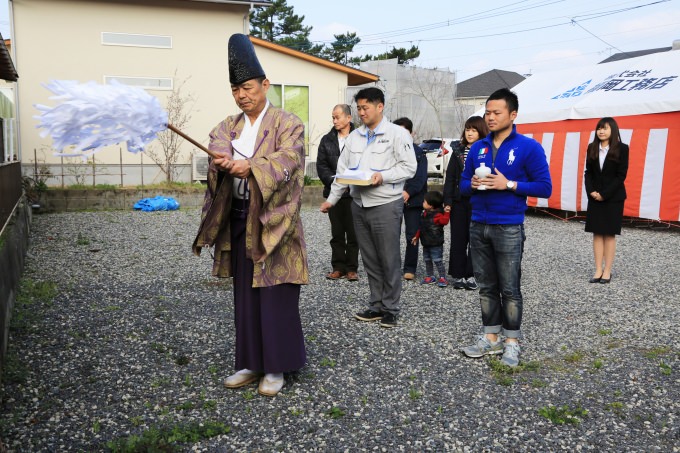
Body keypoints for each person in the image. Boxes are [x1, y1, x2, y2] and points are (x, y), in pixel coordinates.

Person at [192, 34, 308, 397]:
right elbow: (216, 150)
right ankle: (250, 361)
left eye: (247, 87)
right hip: (240, 219)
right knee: (245, 294)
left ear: (265, 85)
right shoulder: (228, 125)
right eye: (235, 89)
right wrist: (222, 164)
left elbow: (290, 160)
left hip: (276, 223)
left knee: (274, 292)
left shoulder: (288, 123)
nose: (242, 95)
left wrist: (251, 167)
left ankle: (276, 366)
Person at [459, 88, 552, 367]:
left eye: (496, 112)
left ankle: (511, 342)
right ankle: (491, 338)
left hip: (509, 226)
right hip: (479, 223)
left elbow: (545, 187)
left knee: (510, 288)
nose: (490, 117)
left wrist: (509, 184)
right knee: (486, 286)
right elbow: (462, 184)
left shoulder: (528, 147)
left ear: (513, 114)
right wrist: (472, 185)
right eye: (487, 112)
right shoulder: (478, 147)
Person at [320, 87, 417, 328]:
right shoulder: (355, 137)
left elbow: (409, 167)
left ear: (379, 106)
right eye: (359, 108)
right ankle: (376, 305)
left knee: (389, 258)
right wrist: (331, 199)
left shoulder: (397, 134)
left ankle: (391, 308)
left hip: (385, 203)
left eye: (365, 107)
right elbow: (342, 172)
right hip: (359, 204)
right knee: (370, 259)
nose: (361, 112)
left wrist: (381, 176)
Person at [443, 116, 488, 290]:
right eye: (468, 129)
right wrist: (447, 200)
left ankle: (473, 275)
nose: (470, 133)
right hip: (459, 200)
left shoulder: (486, 150)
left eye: (474, 130)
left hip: (478, 200)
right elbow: (450, 178)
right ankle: (459, 274)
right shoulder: (457, 151)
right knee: (458, 238)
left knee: (475, 239)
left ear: (481, 131)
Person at [316, 104, 359, 282]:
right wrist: (336, 183)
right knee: (337, 233)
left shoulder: (360, 138)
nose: (334, 121)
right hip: (334, 195)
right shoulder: (327, 140)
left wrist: (353, 182)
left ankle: (352, 269)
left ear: (348, 118)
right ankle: (338, 267)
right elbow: (322, 166)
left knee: (354, 233)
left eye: (338, 117)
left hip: (355, 194)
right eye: (333, 117)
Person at [583, 117, 629, 284]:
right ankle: (598, 270)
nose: (601, 131)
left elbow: (621, 176)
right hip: (594, 196)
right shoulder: (592, 147)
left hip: (613, 198)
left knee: (609, 234)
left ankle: (607, 271)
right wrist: (591, 192)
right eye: (599, 128)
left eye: (605, 128)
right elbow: (588, 172)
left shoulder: (622, 149)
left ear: (613, 130)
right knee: (597, 233)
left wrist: (604, 194)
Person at [393, 117, 428, 281]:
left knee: (412, 235)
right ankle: (391, 267)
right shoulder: (389, 152)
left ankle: (410, 268)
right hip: (392, 198)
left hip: (413, 200)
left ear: (412, 134)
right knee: (391, 235)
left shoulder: (419, 153)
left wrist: (407, 192)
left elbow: (420, 178)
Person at [410, 190, 450, 287]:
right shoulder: (424, 214)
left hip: (436, 243)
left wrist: (447, 212)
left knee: (437, 260)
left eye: (424, 201)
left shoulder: (437, 215)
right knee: (427, 260)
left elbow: (445, 221)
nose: (423, 202)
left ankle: (442, 277)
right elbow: (422, 227)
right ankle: (430, 276)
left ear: (431, 205)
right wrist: (416, 236)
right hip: (426, 242)